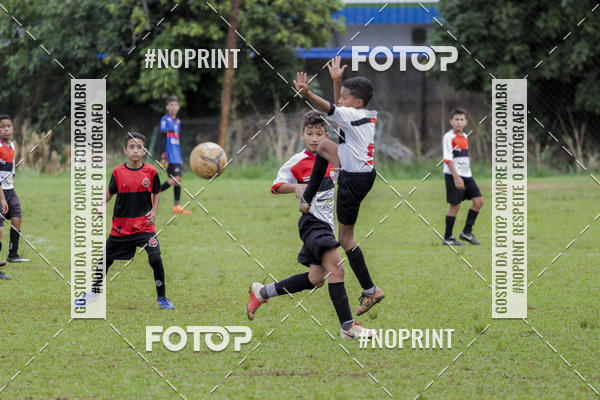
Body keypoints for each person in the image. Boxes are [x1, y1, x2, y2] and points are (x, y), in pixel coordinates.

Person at [247, 110, 376, 340]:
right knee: (337, 270)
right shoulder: (297, 161)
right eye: (310, 133)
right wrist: (295, 187)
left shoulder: (335, 158)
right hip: (312, 224)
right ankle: (348, 327)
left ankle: (262, 291)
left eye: (319, 134)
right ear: (302, 135)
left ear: (326, 135)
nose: (314, 138)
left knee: (316, 279)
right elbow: (276, 185)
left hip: (327, 226)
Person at [291, 57, 383, 316]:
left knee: (345, 239)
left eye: (345, 96)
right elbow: (339, 110)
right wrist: (337, 81)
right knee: (324, 146)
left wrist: (308, 94)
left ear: (358, 102)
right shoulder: (360, 115)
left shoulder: (353, 114)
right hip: (360, 174)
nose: (341, 100)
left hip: (353, 180)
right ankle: (308, 199)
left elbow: (332, 108)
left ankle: (371, 290)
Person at [95, 133, 175, 309]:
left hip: (145, 226)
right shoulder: (118, 172)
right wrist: (100, 205)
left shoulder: (151, 171)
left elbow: (157, 192)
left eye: (139, 147)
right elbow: (110, 192)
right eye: (131, 147)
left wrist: (154, 210)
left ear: (145, 150)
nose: (135, 150)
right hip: (121, 227)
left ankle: (162, 298)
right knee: (105, 260)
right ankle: (93, 293)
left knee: (155, 258)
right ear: (125, 150)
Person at [441, 108, 483, 246]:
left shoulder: (465, 136)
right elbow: (447, 159)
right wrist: (456, 177)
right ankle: (448, 238)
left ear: (466, 122)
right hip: (453, 175)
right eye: (456, 120)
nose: (459, 122)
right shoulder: (448, 137)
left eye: (461, 119)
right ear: (451, 122)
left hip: (467, 175)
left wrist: (466, 174)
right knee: (455, 206)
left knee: (479, 202)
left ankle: (466, 232)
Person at [0, 114, 29, 273]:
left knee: (17, 218)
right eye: (2, 127)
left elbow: (11, 170)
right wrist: (2, 198)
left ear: (13, 129)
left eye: (8, 126)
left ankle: (13, 254)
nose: (6, 129)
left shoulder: (12, 146)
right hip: (0, 191)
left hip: (10, 189)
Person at [159, 96, 191, 215]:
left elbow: (177, 141)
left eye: (175, 105)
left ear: (179, 107)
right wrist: (164, 155)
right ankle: (153, 193)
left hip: (177, 155)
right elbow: (163, 137)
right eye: (171, 105)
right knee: (176, 178)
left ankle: (177, 206)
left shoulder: (178, 121)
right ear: (167, 107)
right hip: (169, 155)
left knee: (178, 180)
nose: (173, 107)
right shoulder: (165, 119)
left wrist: (180, 156)